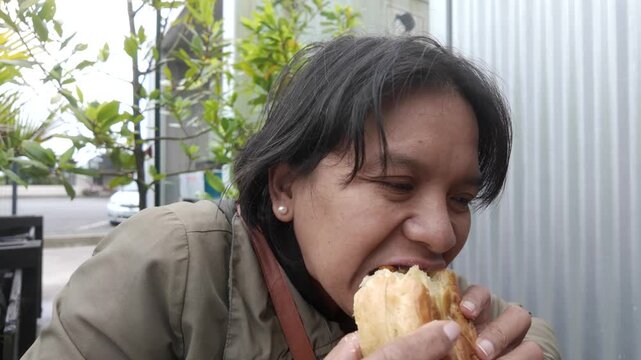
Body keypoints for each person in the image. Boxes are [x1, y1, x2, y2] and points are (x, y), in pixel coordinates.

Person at [22, 35, 560, 359]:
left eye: (461, 198)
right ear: (285, 189)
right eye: (397, 185)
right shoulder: (172, 264)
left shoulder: (423, 301)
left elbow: (530, 327)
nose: (442, 234)